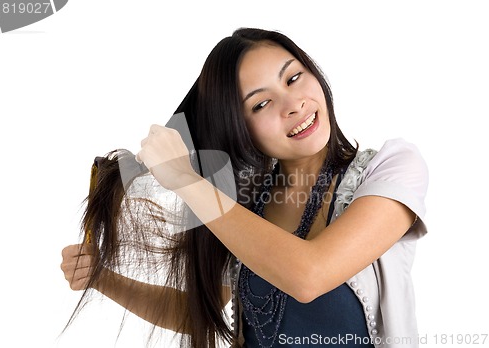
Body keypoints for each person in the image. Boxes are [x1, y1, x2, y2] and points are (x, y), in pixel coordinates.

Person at [61, 28, 428, 348]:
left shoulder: (390, 169)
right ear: (240, 128)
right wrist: (103, 279)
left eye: (294, 78)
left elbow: (309, 275)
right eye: (262, 103)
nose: (293, 104)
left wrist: (187, 181)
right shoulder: (244, 204)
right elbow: (198, 312)